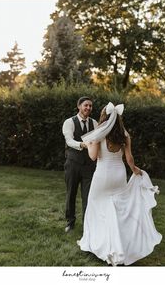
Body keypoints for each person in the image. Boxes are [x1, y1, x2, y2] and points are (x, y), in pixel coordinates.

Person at [77, 102, 162, 266]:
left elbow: (93, 157)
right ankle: (119, 245)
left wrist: (88, 145)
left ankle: (97, 244)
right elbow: (129, 159)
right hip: (119, 174)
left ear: (104, 117)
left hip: (102, 175)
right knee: (116, 211)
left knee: (95, 208)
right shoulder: (124, 134)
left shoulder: (99, 133)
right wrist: (135, 170)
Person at [62, 96, 98, 233]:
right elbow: (69, 140)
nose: (88, 108)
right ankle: (70, 222)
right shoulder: (69, 122)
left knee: (88, 196)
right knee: (71, 193)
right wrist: (82, 144)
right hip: (73, 164)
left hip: (89, 165)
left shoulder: (94, 123)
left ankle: (87, 225)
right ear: (79, 106)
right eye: (85, 105)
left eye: (90, 106)